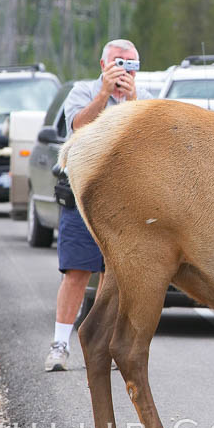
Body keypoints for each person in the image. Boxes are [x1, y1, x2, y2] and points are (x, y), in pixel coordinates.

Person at [44, 39, 153, 372]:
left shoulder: (144, 99)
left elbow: (148, 140)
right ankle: (60, 344)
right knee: (77, 271)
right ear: (103, 65)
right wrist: (104, 95)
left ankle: (110, 345)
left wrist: (131, 99)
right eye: (118, 63)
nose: (123, 70)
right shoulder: (83, 91)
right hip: (84, 196)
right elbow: (78, 125)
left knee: (115, 274)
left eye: (130, 64)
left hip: (125, 202)